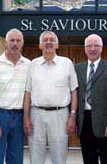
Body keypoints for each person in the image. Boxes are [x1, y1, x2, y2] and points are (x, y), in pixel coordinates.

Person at [23, 31, 78, 164]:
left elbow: (74, 91)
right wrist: (26, 117)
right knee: (36, 157)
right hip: (36, 114)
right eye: (45, 40)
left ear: (57, 45)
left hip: (60, 115)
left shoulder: (67, 63)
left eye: (51, 40)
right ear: (40, 45)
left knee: (59, 157)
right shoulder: (33, 64)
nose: (48, 42)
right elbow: (27, 92)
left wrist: (72, 115)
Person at [75, 34, 107, 164]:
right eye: (89, 46)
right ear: (85, 49)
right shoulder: (77, 68)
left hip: (105, 123)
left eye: (96, 45)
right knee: (89, 159)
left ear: (101, 48)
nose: (92, 48)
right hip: (84, 122)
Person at [0, 28, 30, 164]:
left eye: (18, 41)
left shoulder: (28, 65)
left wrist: (26, 118)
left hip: (19, 117)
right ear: (6, 43)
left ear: (22, 43)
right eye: (12, 40)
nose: (15, 44)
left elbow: (29, 94)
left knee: (16, 159)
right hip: (0, 116)